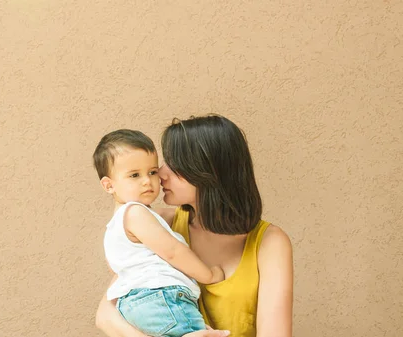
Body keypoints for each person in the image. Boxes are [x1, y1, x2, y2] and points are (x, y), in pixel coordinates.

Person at [95, 115, 293, 337]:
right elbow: (106, 315)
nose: (160, 173)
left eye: (173, 164)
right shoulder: (160, 225)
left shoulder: (269, 241)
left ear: (208, 172)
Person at [92, 129, 225, 337]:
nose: (147, 181)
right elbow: (173, 252)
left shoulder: (114, 228)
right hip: (161, 298)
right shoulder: (136, 213)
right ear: (109, 185)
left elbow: (115, 269)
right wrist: (208, 275)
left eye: (152, 172)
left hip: (133, 307)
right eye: (135, 175)